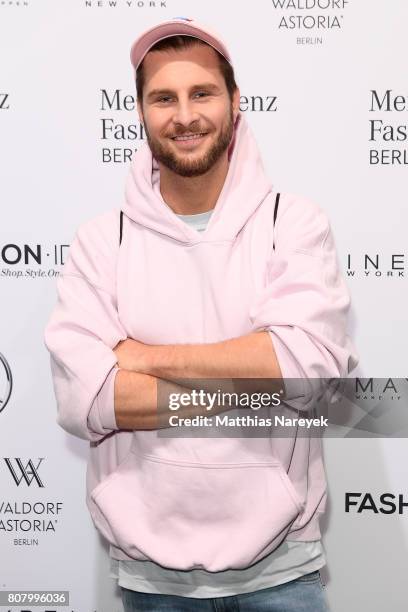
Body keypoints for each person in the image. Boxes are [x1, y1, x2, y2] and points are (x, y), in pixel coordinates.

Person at [44, 17, 358, 612]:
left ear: (236, 104)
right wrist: (255, 384)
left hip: (283, 573)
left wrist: (142, 359)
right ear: (139, 111)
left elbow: (306, 371)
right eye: (164, 97)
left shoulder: (291, 224)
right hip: (152, 581)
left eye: (202, 93)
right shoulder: (99, 242)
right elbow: (86, 401)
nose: (184, 115)